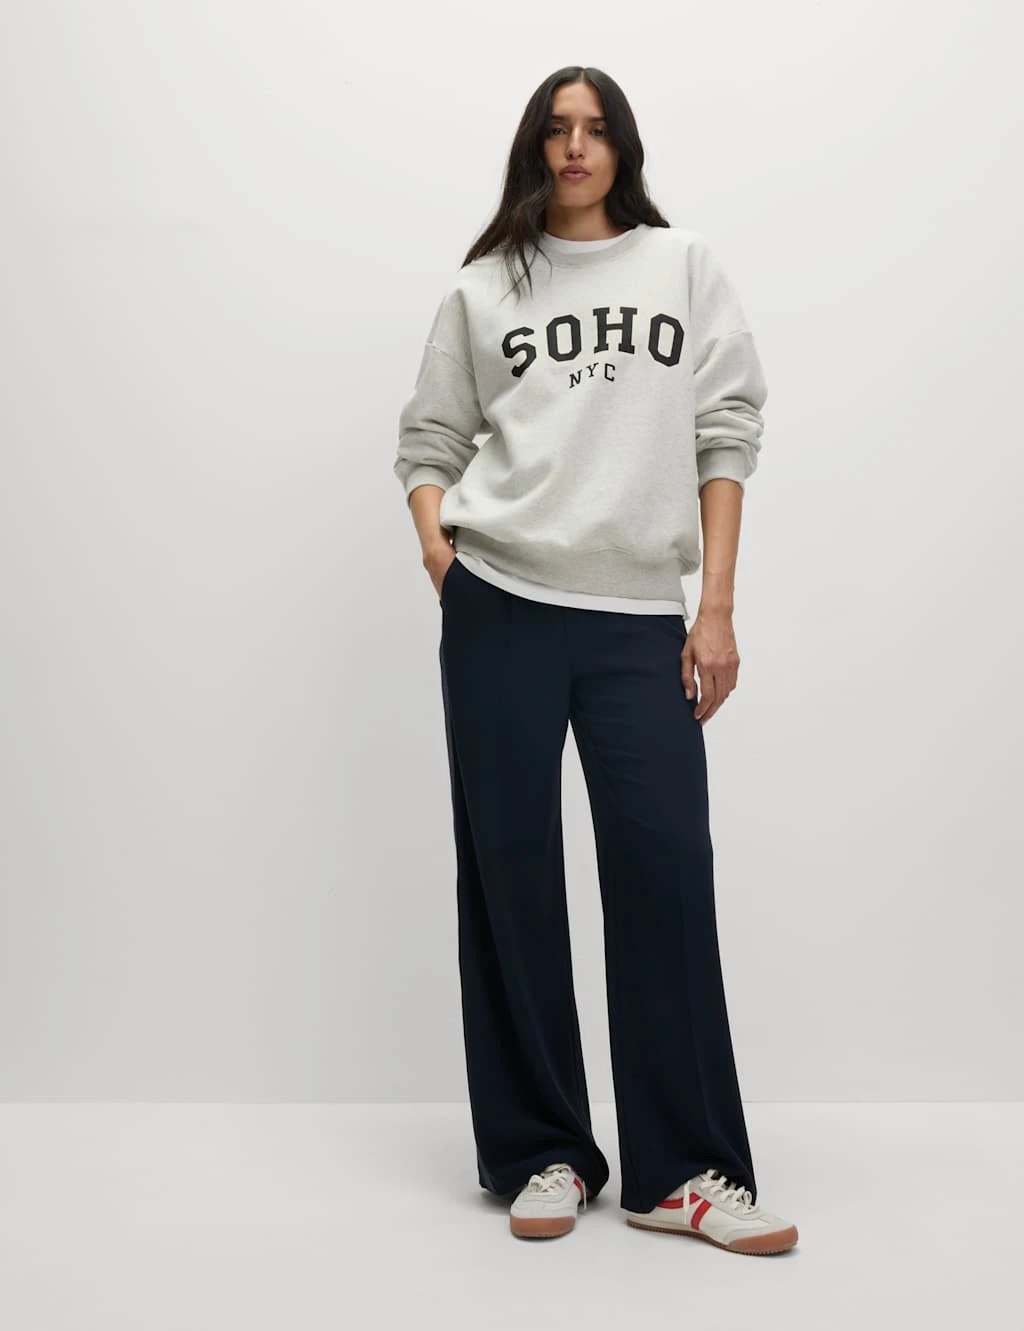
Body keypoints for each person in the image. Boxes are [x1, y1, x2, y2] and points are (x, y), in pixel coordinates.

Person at [393, 65, 798, 1255]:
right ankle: (542, 1150)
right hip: (502, 605)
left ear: (622, 147)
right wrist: (442, 556)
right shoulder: (482, 288)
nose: (575, 148)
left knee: (665, 864)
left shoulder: (681, 266)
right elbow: (428, 438)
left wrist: (713, 607)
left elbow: (726, 428)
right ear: (535, 148)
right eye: (556, 130)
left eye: (595, 129)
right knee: (509, 876)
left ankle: (682, 1170)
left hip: (634, 616)